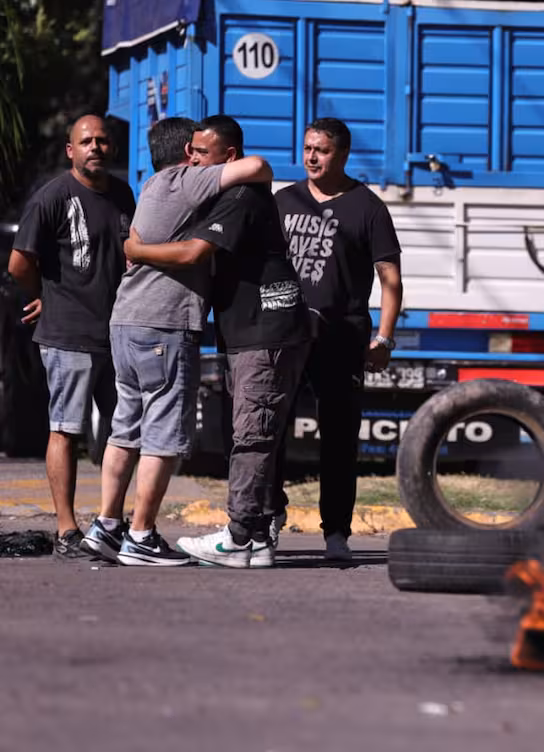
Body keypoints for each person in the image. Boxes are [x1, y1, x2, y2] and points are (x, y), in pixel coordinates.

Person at [79, 116, 274, 566]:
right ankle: (142, 536)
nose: (201, 158)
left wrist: (136, 250)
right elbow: (258, 166)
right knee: (163, 436)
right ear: (187, 153)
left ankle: (107, 526)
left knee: (125, 429)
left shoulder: (150, 186)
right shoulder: (187, 180)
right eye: (198, 151)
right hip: (164, 325)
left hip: (125, 321)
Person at [122, 115, 311, 568]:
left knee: (251, 436)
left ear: (229, 156)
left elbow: (194, 253)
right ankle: (260, 535)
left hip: (265, 330)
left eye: (201, 153)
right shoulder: (227, 191)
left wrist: (135, 250)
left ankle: (239, 538)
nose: (192, 159)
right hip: (248, 330)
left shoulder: (240, 196)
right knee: (255, 433)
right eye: (190, 151)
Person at [272, 117, 403, 560]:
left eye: (322, 150)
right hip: (286, 335)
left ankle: (336, 533)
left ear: (342, 155)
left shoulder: (368, 207)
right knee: (270, 429)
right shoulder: (283, 201)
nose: (312, 157)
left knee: (339, 438)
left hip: (342, 337)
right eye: (308, 148)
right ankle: (269, 516)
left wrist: (384, 339)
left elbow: (390, 279)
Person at [6, 115, 136, 559]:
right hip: (68, 335)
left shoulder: (123, 195)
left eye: (102, 141)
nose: (95, 147)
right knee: (66, 429)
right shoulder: (53, 196)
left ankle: (110, 524)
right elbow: (19, 263)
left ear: (112, 148)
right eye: (86, 141)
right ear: (71, 150)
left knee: (124, 430)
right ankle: (66, 530)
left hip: (117, 334)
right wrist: (43, 296)